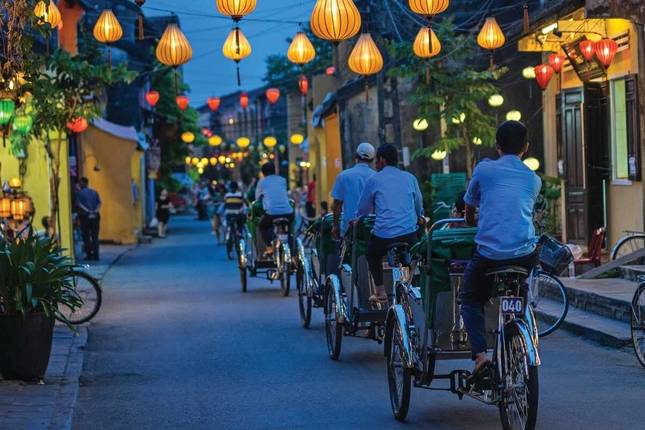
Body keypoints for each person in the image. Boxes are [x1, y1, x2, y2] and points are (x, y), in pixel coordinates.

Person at [460, 120, 542, 380]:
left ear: (497, 146)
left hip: (490, 255)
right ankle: (518, 325)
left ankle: (481, 357)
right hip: (525, 254)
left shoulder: (484, 170)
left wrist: (472, 221)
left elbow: (469, 208)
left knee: (470, 298)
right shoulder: (534, 179)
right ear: (525, 147)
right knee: (519, 288)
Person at [356, 144, 424, 305]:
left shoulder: (374, 180)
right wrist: (419, 216)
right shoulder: (410, 178)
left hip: (384, 236)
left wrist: (358, 218)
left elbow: (363, 209)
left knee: (372, 254)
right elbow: (418, 204)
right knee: (412, 255)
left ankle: (380, 291)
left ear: (382, 160)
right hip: (409, 234)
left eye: (377, 160)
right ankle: (410, 286)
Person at [331, 142, 376, 240]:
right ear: (372, 159)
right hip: (372, 227)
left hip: (348, 227)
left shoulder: (343, 176)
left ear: (356, 156)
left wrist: (335, 225)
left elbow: (337, 204)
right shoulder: (377, 177)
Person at [255, 162, 293, 254]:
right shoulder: (282, 180)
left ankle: (269, 247)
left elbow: (257, 199)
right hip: (288, 212)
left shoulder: (262, 182)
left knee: (263, 226)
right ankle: (292, 251)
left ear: (263, 173)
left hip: (272, 213)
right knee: (289, 228)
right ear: (274, 170)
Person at [76, 177, 101, 261]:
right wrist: (94, 211)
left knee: (86, 236)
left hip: (85, 216)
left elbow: (79, 204)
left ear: (83, 183)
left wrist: (88, 211)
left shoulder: (80, 193)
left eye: (80, 183)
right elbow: (99, 203)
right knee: (95, 236)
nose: (79, 184)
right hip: (95, 216)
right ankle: (96, 255)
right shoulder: (94, 192)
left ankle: (89, 255)